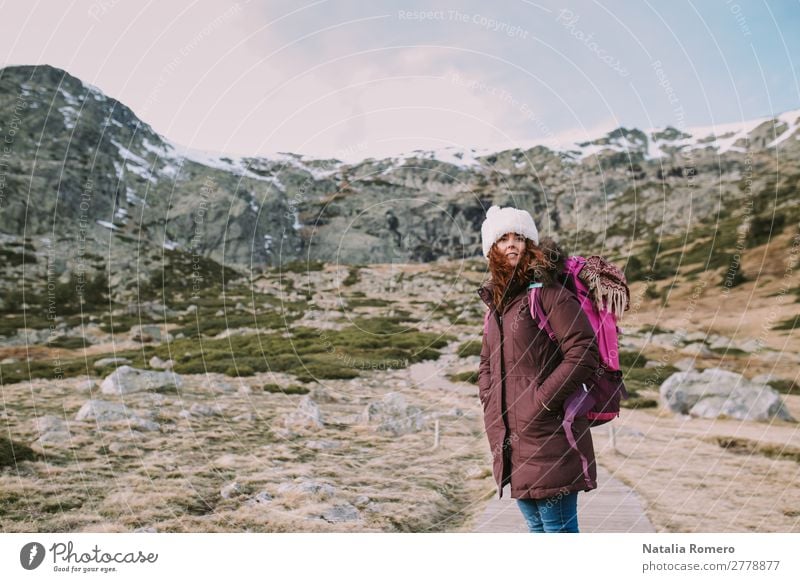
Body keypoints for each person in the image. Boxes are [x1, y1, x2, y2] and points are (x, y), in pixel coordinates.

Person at [476, 205, 600, 533]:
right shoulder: (498, 305)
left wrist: (542, 401)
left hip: (549, 434)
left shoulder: (548, 293)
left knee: (557, 533)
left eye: (520, 237)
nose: (513, 244)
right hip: (512, 440)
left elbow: (584, 351)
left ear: (531, 245)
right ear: (492, 250)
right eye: (504, 238)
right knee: (538, 531)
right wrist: (488, 397)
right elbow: (486, 362)